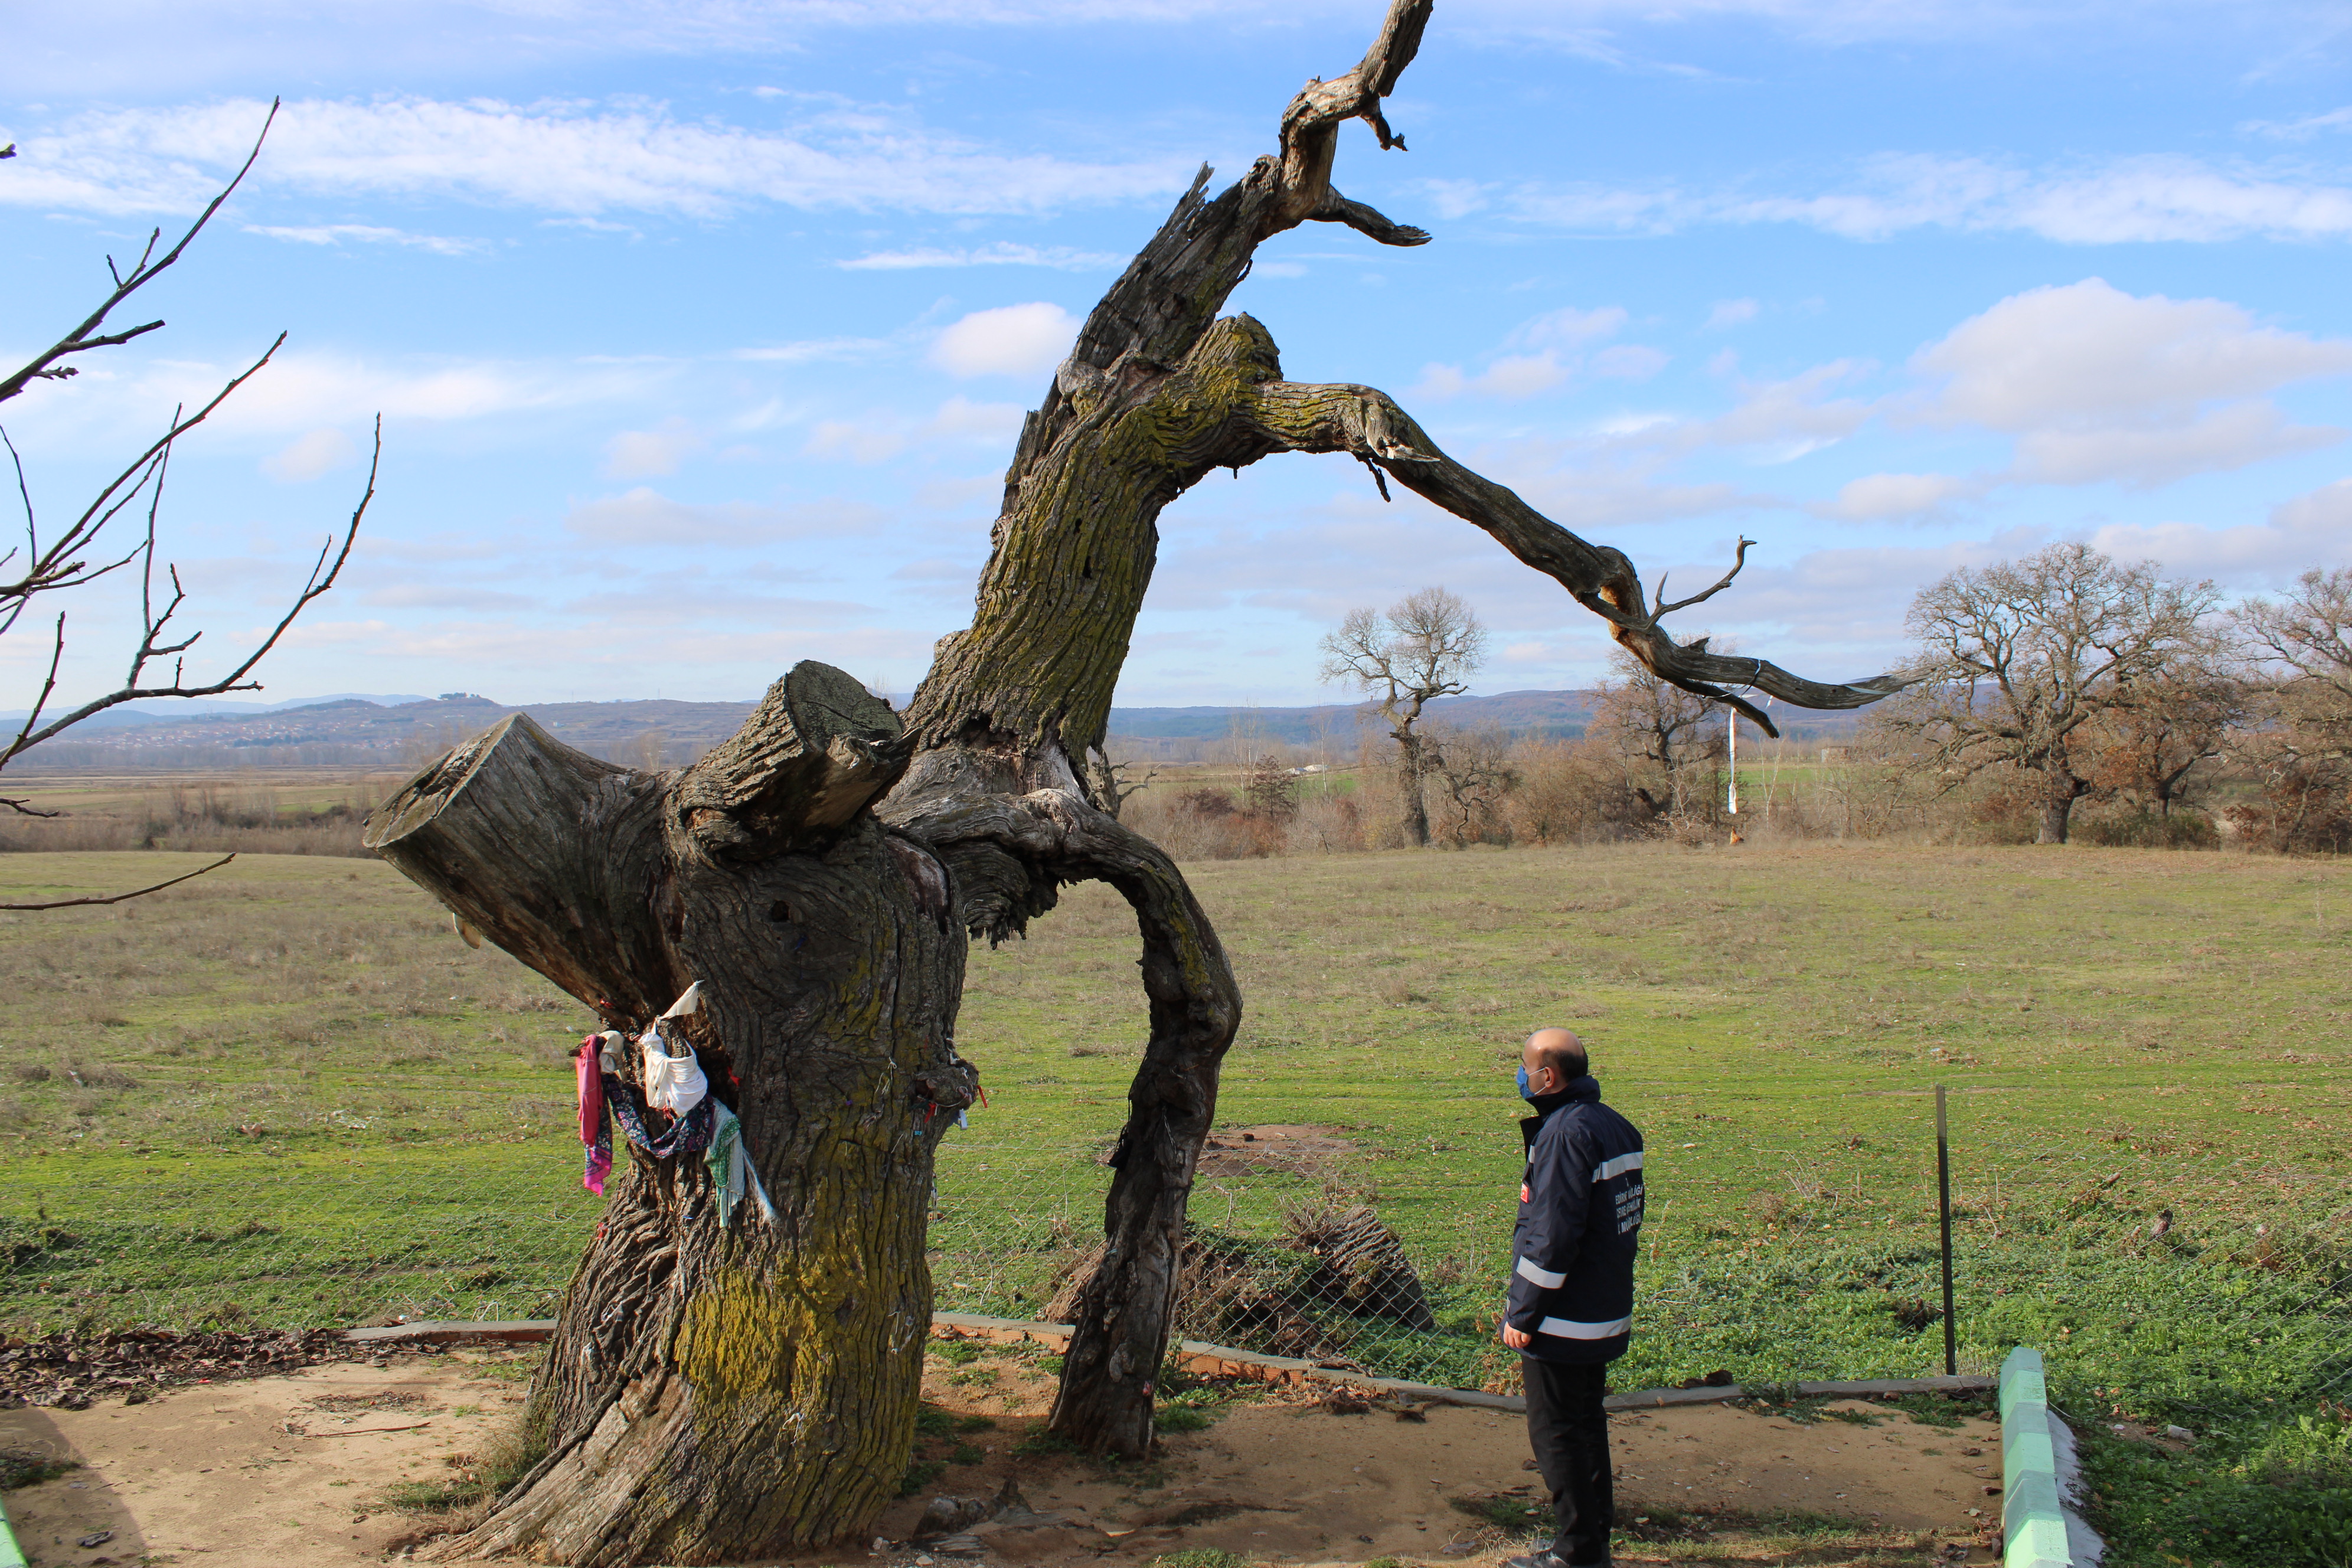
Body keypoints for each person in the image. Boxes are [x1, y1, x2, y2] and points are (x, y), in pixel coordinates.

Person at [1501, 1027, 1645, 1568]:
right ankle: (1591, 1541)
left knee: (1557, 1433)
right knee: (1587, 1426)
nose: (1519, 1076)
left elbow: (1553, 1235)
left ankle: (1577, 1555)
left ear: (1548, 1076)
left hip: (1562, 1319)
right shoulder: (1614, 1127)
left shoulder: (1563, 1134)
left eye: (1523, 1067)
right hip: (1602, 1308)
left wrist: (1524, 1310)